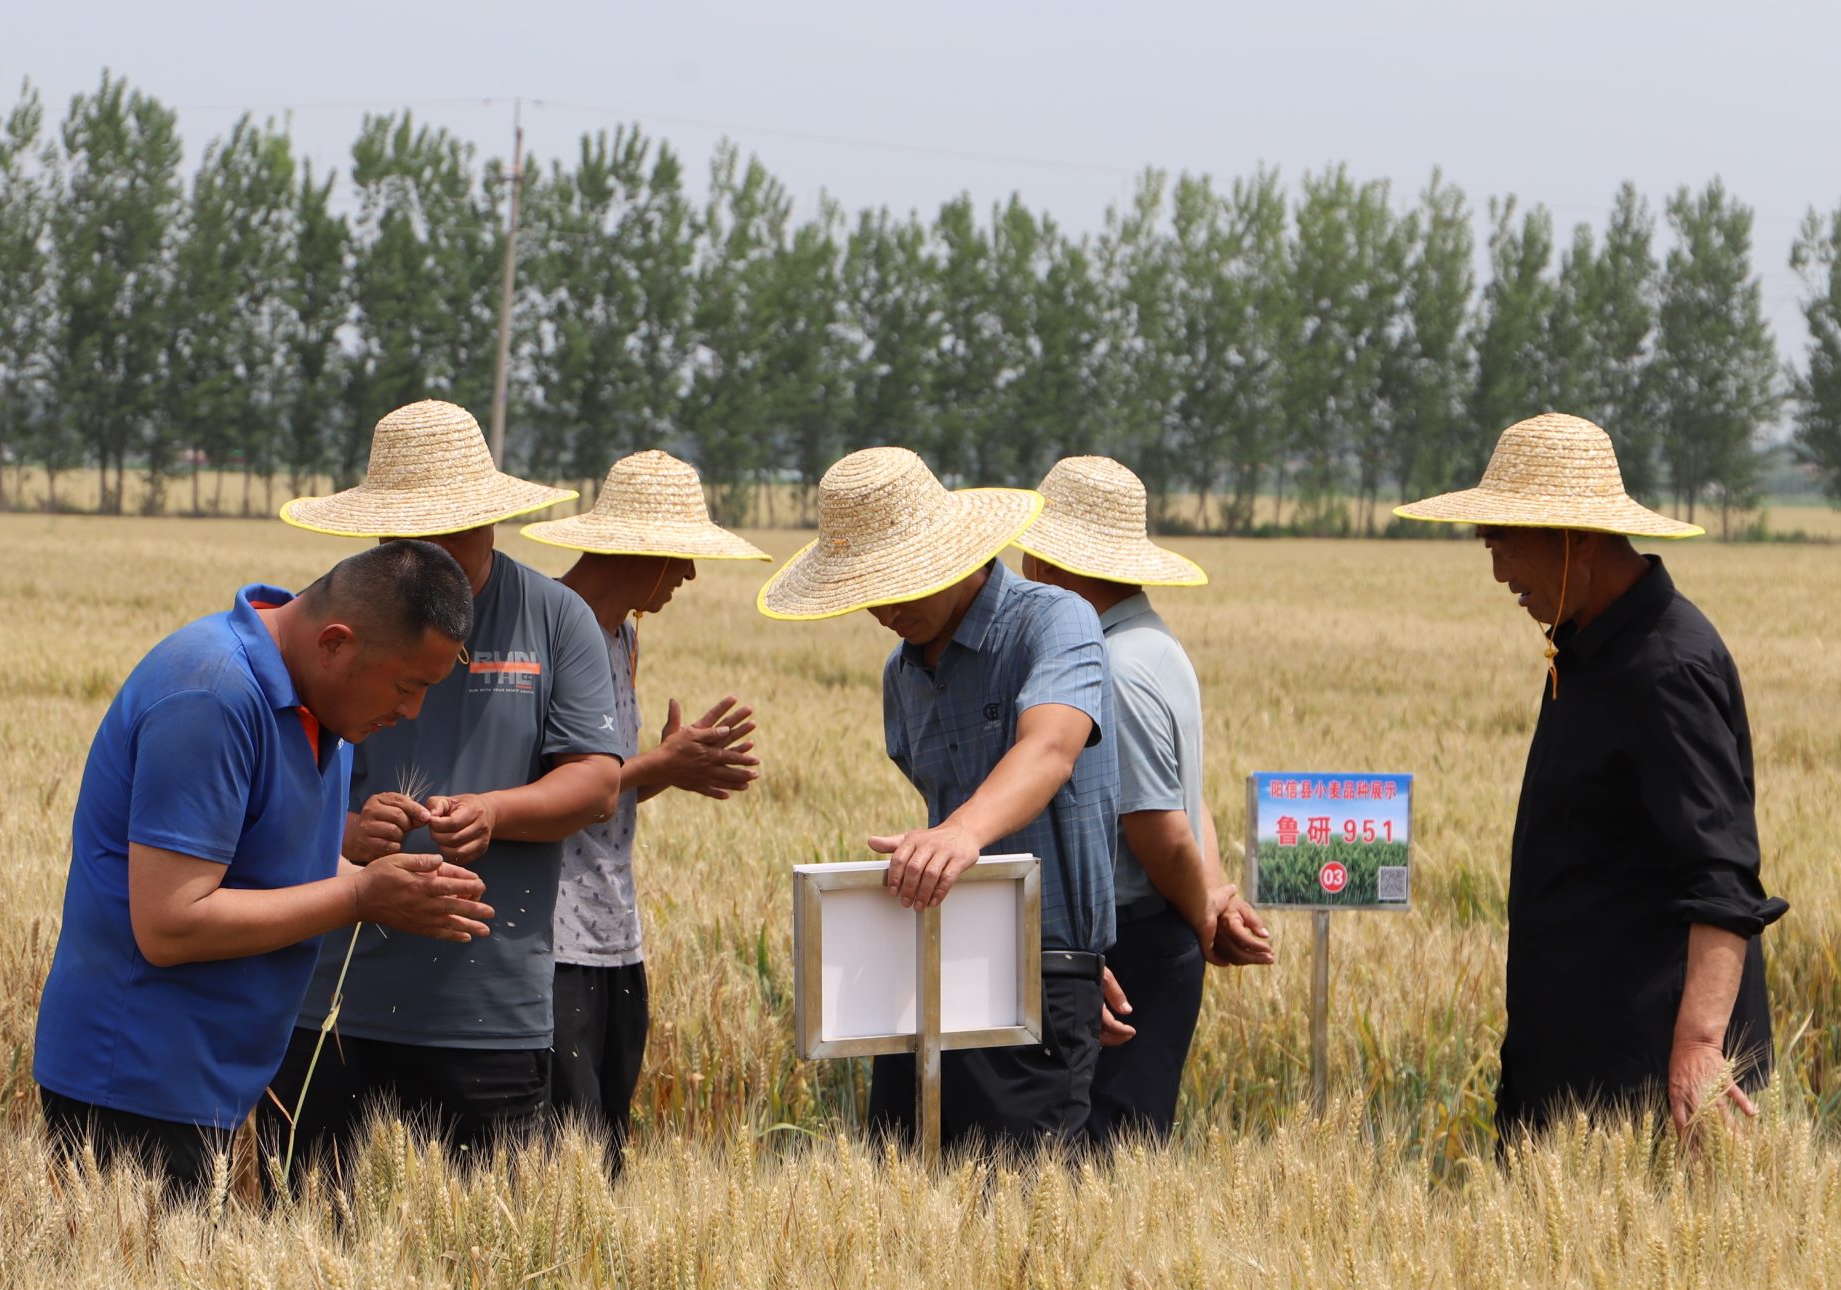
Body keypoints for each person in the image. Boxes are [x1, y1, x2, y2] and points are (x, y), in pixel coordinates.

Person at [32, 541, 495, 1198]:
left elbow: (268, 861)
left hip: (206, 1080)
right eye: (407, 685)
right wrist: (362, 893)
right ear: (335, 641)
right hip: (136, 1081)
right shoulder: (212, 693)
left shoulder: (315, 697)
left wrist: (397, 884)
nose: (411, 712)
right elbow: (171, 922)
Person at [1396, 412, 1787, 1140]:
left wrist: (1702, 1045)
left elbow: (1725, 878)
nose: (1498, 570)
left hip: (1640, 1087)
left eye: (1503, 541)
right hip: (1572, 1079)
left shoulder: (1666, 668)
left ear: (1571, 538)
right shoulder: (1586, 651)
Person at [273, 401, 626, 1166]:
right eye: (412, 536)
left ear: (492, 521)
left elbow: (597, 781)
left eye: (455, 531)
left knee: (476, 1258)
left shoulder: (557, 618)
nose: (434, 554)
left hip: (488, 1007)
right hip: (331, 999)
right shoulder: (333, 616)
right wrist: (342, 830)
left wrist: (494, 812)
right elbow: (271, 790)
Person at [758, 446, 1128, 1156]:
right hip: (933, 962)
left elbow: (1049, 748)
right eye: (866, 591)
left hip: (1040, 979)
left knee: (1021, 1207)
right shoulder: (902, 673)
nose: (883, 609)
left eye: (898, 582)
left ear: (955, 555)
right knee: (905, 1186)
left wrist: (1059, 957)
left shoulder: (1055, 622)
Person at [518, 450, 768, 1170]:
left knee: (606, 1144)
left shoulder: (623, 636)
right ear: (647, 551)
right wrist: (659, 763)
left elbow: (597, 789)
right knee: (566, 1149)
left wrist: (665, 771)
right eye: (682, 556)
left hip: (614, 931)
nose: (689, 575)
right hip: (552, 935)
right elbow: (541, 784)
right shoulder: (547, 629)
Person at [1015, 455, 1274, 1142]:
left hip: (1131, 945)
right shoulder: (1157, 647)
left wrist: (1206, 917)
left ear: (1045, 564)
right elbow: (1195, 802)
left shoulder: (1115, 670)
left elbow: (1160, 828)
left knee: (1102, 1152)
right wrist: (1213, 892)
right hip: (1159, 931)